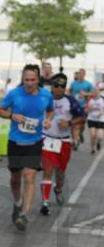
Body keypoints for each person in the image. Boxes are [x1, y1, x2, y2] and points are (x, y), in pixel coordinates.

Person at [0, 64, 54, 231]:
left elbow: (50, 110)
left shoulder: (46, 95)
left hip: (34, 143)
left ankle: (24, 214)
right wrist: (11, 115)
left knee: (29, 177)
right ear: (22, 79)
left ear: (38, 80)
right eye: (26, 80)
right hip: (15, 142)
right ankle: (17, 202)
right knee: (15, 178)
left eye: (32, 80)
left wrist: (48, 120)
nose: (29, 83)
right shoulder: (14, 94)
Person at [39, 73, 84, 215]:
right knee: (47, 171)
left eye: (62, 86)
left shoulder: (71, 101)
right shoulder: (44, 98)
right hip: (47, 140)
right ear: (52, 87)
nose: (59, 89)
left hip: (63, 142)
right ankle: (45, 203)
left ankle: (58, 189)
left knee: (60, 173)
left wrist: (69, 123)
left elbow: (81, 117)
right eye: (57, 86)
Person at [69, 69, 93, 149]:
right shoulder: (73, 83)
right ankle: (75, 141)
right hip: (74, 106)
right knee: (74, 124)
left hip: (83, 107)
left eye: (82, 74)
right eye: (80, 74)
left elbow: (93, 93)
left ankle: (80, 133)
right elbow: (69, 91)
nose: (81, 75)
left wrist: (85, 94)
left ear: (84, 75)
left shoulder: (88, 84)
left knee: (81, 125)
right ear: (78, 74)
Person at [86, 88, 104, 154]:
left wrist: (101, 113)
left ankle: (98, 142)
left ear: (99, 92)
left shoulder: (102, 100)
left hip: (100, 120)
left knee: (100, 137)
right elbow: (86, 109)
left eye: (97, 91)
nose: (95, 92)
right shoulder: (90, 100)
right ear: (93, 92)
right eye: (94, 91)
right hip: (91, 119)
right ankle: (92, 149)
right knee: (92, 135)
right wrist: (88, 109)